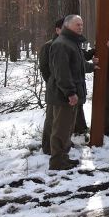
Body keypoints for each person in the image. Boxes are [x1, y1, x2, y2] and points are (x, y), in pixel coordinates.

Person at [46, 15, 93, 170]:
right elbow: (62, 73)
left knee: (67, 129)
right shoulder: (61, 44)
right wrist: (70, 93)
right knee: (60, 130)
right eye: (77, 24)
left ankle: (63, 158)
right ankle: (57, 162)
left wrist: (92, 67)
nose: (80, 27)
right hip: (63, 96)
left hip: (69, 95)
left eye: (82, 24)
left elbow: (77, 67)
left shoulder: (73, 43)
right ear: (67, 26)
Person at [38, 17, 64, 155]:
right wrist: (52, 82)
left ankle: (60, 144)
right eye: (64, 28)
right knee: (51, 119)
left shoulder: (67, 44)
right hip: (54, 88)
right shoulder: (48, 46)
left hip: (65, 88)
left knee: (61, 120)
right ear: (57, 30)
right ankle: (47, 147)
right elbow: (44, 68)